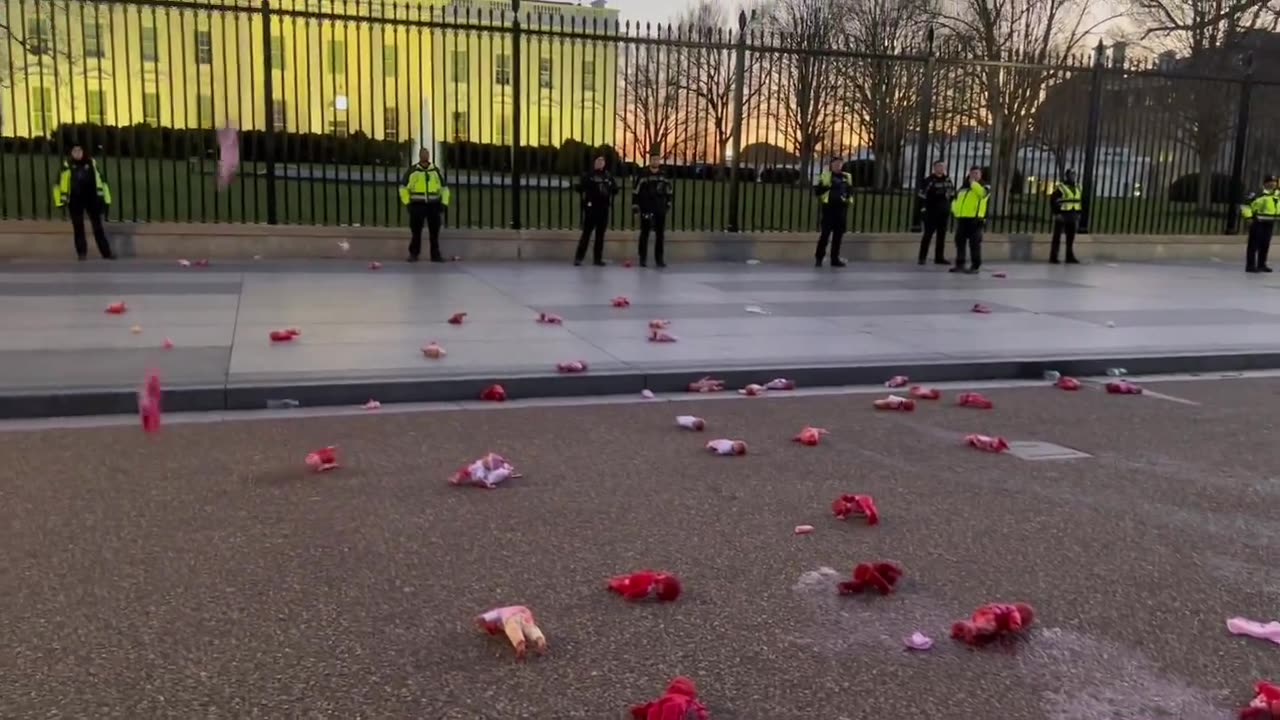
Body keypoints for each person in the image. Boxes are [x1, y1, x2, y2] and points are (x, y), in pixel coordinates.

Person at [52, 145, 115, 260]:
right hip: (75, 200)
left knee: (98, 228)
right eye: (74, 151)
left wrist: (106, 200)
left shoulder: (92, 163)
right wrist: (59, 202)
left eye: (79, 150)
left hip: (92, 199)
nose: (77, 153)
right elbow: (58, 185)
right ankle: (81, 253)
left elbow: (102, 182)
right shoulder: (67, 166)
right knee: (78, 228)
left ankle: (106, 253)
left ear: (83, 151)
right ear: (71, 153)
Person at [398, 148, 451, 262]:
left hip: (434, 205)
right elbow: (403, 188)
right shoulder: (412, 171)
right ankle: (414, 254)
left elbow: (444, 189)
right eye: (423, 154)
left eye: (426, 154)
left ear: (429, 156)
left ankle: (435, 255)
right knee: (416, 232)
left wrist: (444, 203)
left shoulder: (436, 171)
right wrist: (407, 202)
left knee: (434, 232)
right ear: (419, 156)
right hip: (417, 205)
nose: (425, 156)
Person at [574, 156, 618, 266]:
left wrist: (609, 188)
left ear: (604, 163)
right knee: (586, 234)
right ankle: (579, 258)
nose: (600, 163)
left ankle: (597, 259)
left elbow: (615, 190)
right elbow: (580, 188)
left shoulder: (608, 176)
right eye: (598, 161)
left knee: (600, 235)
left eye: (602, 161)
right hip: (591, 208)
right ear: (594, 163)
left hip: (603, 208)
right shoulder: (589, 175)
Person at [633, 153, 673, 268]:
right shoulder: (643, 175)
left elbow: (669, 191)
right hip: (646, 207)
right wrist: (635, 206)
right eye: (653, 159)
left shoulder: (664, 175)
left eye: (657, 159)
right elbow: (636, 192)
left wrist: (668, 204)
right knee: (645, 233)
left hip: (660, 208)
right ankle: (643, 258)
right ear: (650, 161)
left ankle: (659, 259)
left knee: (660, 235)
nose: (655, 161)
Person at [813, 156, 852, 267]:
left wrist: (846, 200)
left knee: (838, 236)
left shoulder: (847, 177)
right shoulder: (826, 176)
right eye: (835, 164)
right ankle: (819, 257)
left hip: (841, 209)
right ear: (831, 165)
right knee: (825, 235)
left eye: (840, 163)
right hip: (828, 209)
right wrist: (828, 186)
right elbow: (817, 192)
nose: (838, 166)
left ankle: (835, 259)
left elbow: (850, 191)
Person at [950, 166, 990, 274]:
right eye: (972, 173)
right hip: (963, 218)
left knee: (974, 244)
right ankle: (960, 264)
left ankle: (975, 265)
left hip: (976, 219)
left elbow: (982, 194)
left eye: (977, 173)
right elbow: (955, 199)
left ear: (980, 175)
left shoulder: (984, 186)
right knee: (960, 242)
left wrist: (973, 184)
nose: (974, 175)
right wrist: (955, 210)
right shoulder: (963, 187)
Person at [916, 160, 954, 265]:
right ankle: (922, 257)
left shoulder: (947, 180)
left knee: (941, 236)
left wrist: (949, 205)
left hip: (944, 212)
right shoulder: (929, 180)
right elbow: (922, 196)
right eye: (938, 166)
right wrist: (923, 209)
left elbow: (952, 193)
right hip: (931, 212)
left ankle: (939, 257)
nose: (940, 168)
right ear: (934, 168)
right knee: (928, 235)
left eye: (942, 166)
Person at [1242, 174, 1279, 273]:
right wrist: (1248, 217)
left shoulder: (1276, 194)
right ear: (1265, 183)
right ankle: (1250, 266)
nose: (1273, 184)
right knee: (1254, 244)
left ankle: (1261, 264)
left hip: (1269, 222)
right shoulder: (1258, 194)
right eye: (1271, 182)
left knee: (1265, 244)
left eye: (1275, 182)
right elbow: (1246, 205)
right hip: (1258, 221)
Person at [1049, 169, 1083, 264]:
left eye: (1074, 174)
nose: (1073, 176)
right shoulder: (1061, 187)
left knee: (1070, 238)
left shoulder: (1078, 187)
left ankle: (1069, 257)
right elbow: (1053, 200)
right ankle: (1053, 257)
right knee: (1057, 237)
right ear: (1067, 176)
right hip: (1062, 214)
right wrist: (1057, 213)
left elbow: (1079, 201)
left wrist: (1079, 213)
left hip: (1073, 214)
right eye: (1071, 175)